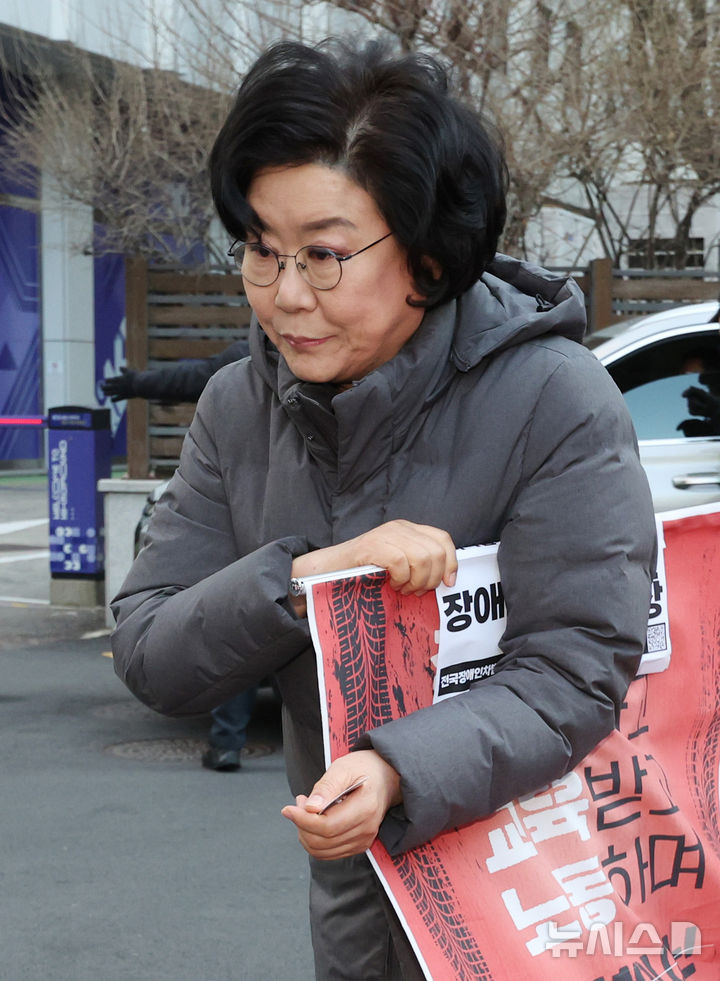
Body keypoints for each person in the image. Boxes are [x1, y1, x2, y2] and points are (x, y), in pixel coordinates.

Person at [111, 39, 656, 980]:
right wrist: (300, 580)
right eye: (259, 248)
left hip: (536, 902)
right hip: (357, 903)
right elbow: (151, 653)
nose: (285, 296)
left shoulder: (553, 398)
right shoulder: (240, 407)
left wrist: (401, 766)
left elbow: (576, 669)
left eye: (324, 256)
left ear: (428, 255)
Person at [102, 340, 258, 772]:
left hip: (237, 509)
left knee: (239, 622)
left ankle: (227, 741)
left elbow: (191, 376)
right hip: (294, 513)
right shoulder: (342, 353)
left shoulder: (247, 361)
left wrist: (137, 383)